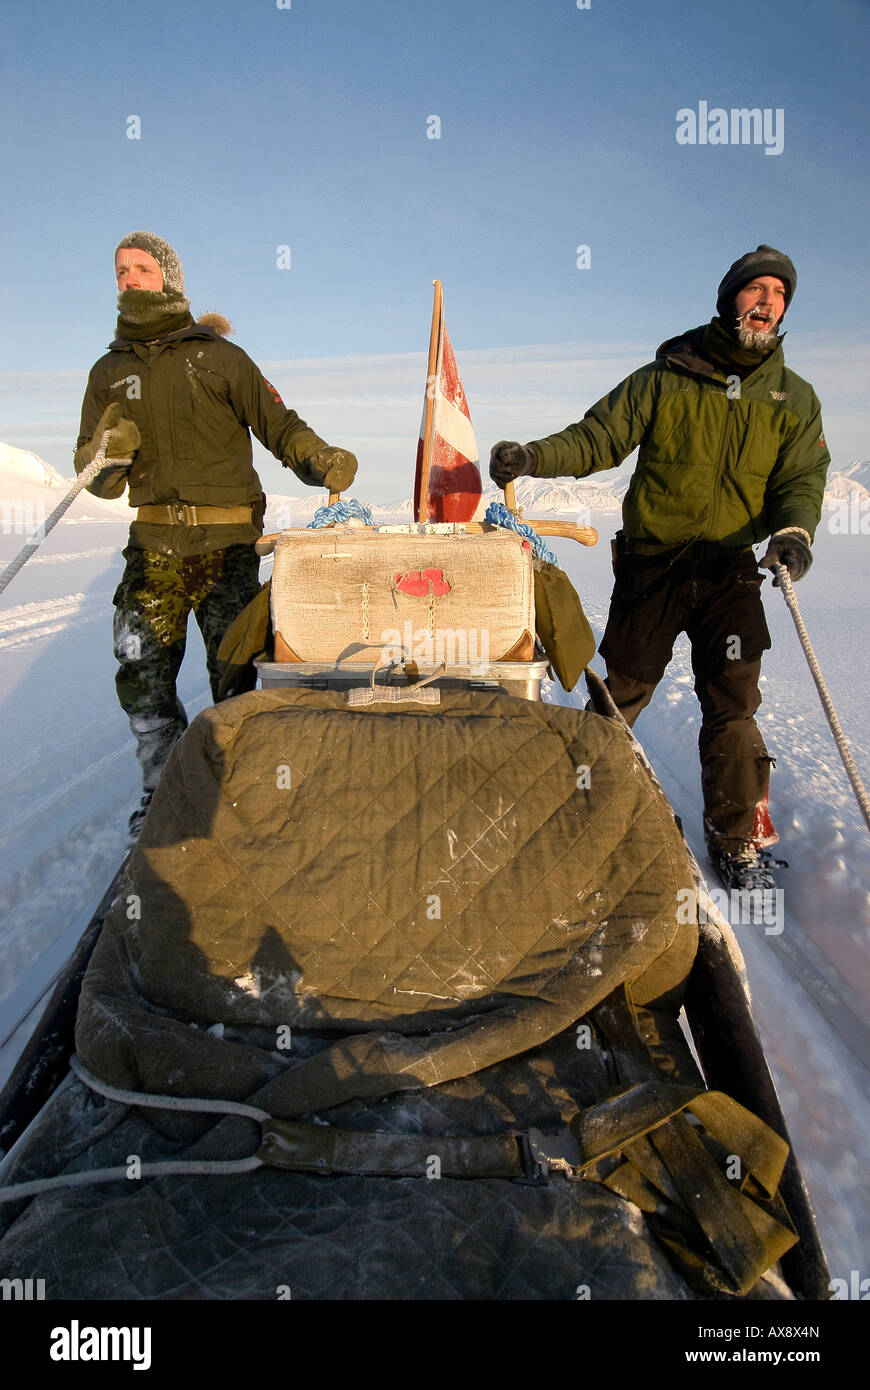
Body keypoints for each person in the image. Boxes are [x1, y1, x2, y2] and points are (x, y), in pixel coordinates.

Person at [490, 245, 831, 890]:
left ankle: (736, 842)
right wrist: (534, 455)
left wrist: (792, 533)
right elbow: (598, 436)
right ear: (730, 299)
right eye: (755, 290)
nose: (767, 303)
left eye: (779, 295)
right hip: (654, 561)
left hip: (731, 568)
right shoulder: (667, 375)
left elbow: (802, 477)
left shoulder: (794, 398)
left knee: (734, 703)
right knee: (624, 691)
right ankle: (570, 805)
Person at [75, 231, 357, 836]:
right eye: (120, 271)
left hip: (228, 547)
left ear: (169, 278)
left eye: (141, 269)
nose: (128, 279)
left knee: (235, 671)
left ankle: (242, 785)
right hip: (153, 547)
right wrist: (108, 454)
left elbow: (280, 426)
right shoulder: (109, 370)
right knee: (142, 672)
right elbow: (93, 479)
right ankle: (164, 790)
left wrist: (320, 458)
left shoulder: (221, 357)